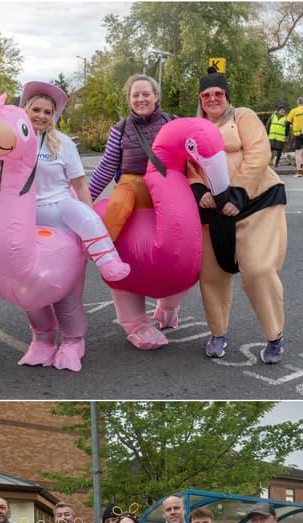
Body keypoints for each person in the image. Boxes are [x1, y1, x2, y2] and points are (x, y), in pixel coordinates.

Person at [191, 68, 289, 365]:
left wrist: (238, 193)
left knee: (259, 270)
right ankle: (218, 332)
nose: (212, 99)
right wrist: (198, 190)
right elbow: (188, 167)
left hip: (256, 200)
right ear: (200, 99)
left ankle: (275, 336)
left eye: (218, 93)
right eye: (206, 95)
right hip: (214, 210)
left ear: (227, 96)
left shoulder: (242, 116)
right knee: (210, 275)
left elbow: (258, 153)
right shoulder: (192, 126)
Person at [0, 81, 130, 281]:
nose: (41, 116)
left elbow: (79, 184)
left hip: (59, 206)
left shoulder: (64, 143)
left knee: (86, 217)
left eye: (47, 112)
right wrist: (2, 163)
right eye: (36, 109)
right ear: (25, 110)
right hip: (25, 213)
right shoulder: (10, 141)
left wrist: (88, 211)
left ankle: (108, 260)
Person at [87, 74, 182, 349]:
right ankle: (104, 251)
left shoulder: (172, 123)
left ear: (156, 96)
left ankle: (169, 305)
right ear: (129, 99)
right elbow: (106, 166)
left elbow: (190, 158)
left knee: (181, 243)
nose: (141, 99)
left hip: (166, 186)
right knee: (117, 207)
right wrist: (84, 201)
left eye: (146, 94)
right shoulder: (121, 128)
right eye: (135, 95)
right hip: (131, 182)